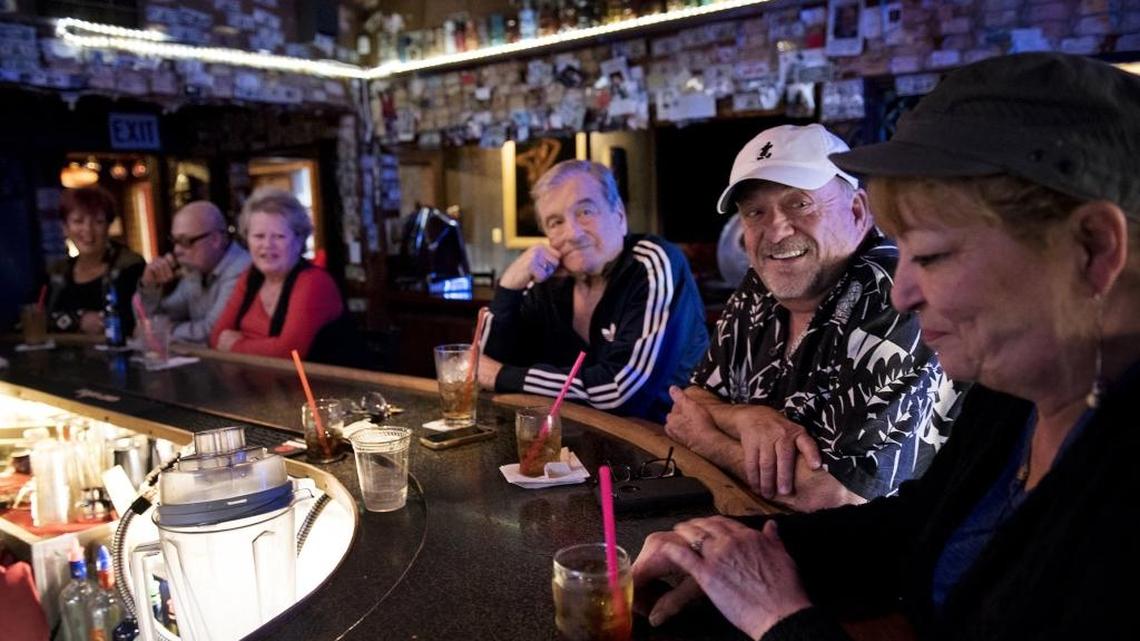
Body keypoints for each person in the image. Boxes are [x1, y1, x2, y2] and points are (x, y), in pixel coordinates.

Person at [631, 52, 1140, 641]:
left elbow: (839, 497)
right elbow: (914, 525)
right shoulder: (1015, 397)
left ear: (1091, 249)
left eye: (932, 255)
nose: (902, 293)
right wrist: (738, 549)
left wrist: (779, 619)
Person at [666, 123, 960, 511]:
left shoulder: (894, 296)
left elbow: (836, 495)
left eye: (799, 203)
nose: (775, 231)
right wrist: (746, 419)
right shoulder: (764, 281)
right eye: (755, 212)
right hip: (762, 526)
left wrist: (710, 442)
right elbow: (689, 404)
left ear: (857, 211)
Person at [479, 160, 708, 422]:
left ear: (619, 216)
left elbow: (621, 392)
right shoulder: (548, 282)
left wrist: (502, 376)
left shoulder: (653, 262)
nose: (572, 233)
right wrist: (509, 287)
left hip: (662, 438)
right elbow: (483, 367)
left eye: (585, 212)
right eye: (555, 222)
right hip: (574, 436)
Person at [209, 188, 343, 360]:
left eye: (279, 236)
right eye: (259, 236)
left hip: (313, 378)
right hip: (257, 376)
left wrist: (235, 345)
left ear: (299, 240)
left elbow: (289, 353)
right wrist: (266, 346)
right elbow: (216, 338)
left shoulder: (314, 282)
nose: (267, 245)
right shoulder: (250, 277)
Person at [137, 201, 250, 344]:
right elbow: (162, 316)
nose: (177, 250)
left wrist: (158, 330)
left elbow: (211, 331)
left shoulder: (242, 268)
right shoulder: (196, 271)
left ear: (215, 240)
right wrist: (149, 286)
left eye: (185, 241)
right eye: (175, 241)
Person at [47, 186, 145, 338]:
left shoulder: (130, 266)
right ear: (65, 228)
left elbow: (136, 320)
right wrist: (78, 320)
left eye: (98, 222)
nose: (88, 230)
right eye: (78, 221)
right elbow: (30, 319)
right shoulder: (56, 272)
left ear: (108, 226)